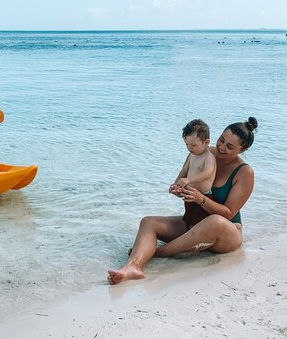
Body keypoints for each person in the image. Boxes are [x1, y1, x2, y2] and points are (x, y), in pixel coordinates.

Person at [107, 117, 258, 285]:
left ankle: (157, 252)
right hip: (194, 223)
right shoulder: (202, 152)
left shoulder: (245, 172)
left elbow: (229, 213)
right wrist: (178, 189)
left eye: (229, 147)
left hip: (226, 232)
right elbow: (185, 178)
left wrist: (201, 199)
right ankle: (132, 267)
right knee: (149, 222)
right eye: (221, 140)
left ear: (242, 149)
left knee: (215, 221)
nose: (221, 147)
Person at [170, 119, 217, 197]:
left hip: (203, 196)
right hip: (189, 193)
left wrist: (189, 180)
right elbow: (184, 170)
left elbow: (207, 173)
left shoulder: (208, 157)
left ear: (206, 142)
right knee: (188, 209)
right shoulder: (191, 155)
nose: (189, 148)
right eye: (186, 144)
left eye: (193, 145)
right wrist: (176, 184)